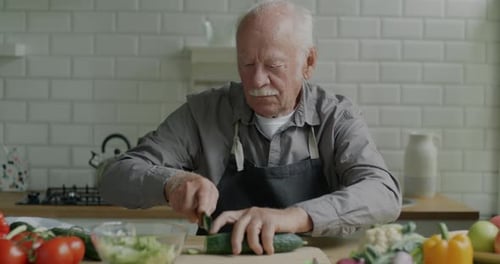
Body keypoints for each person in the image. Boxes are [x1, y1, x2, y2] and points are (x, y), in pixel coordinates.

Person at [98, 0, 402, 256]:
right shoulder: (203, 113)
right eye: (246, 64)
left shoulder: (336, 117)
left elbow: (383, 192)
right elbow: (113, 177)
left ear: (308, 62)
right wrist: (171, 183)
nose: (256, 81)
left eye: (273, 66)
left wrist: (292, 218)